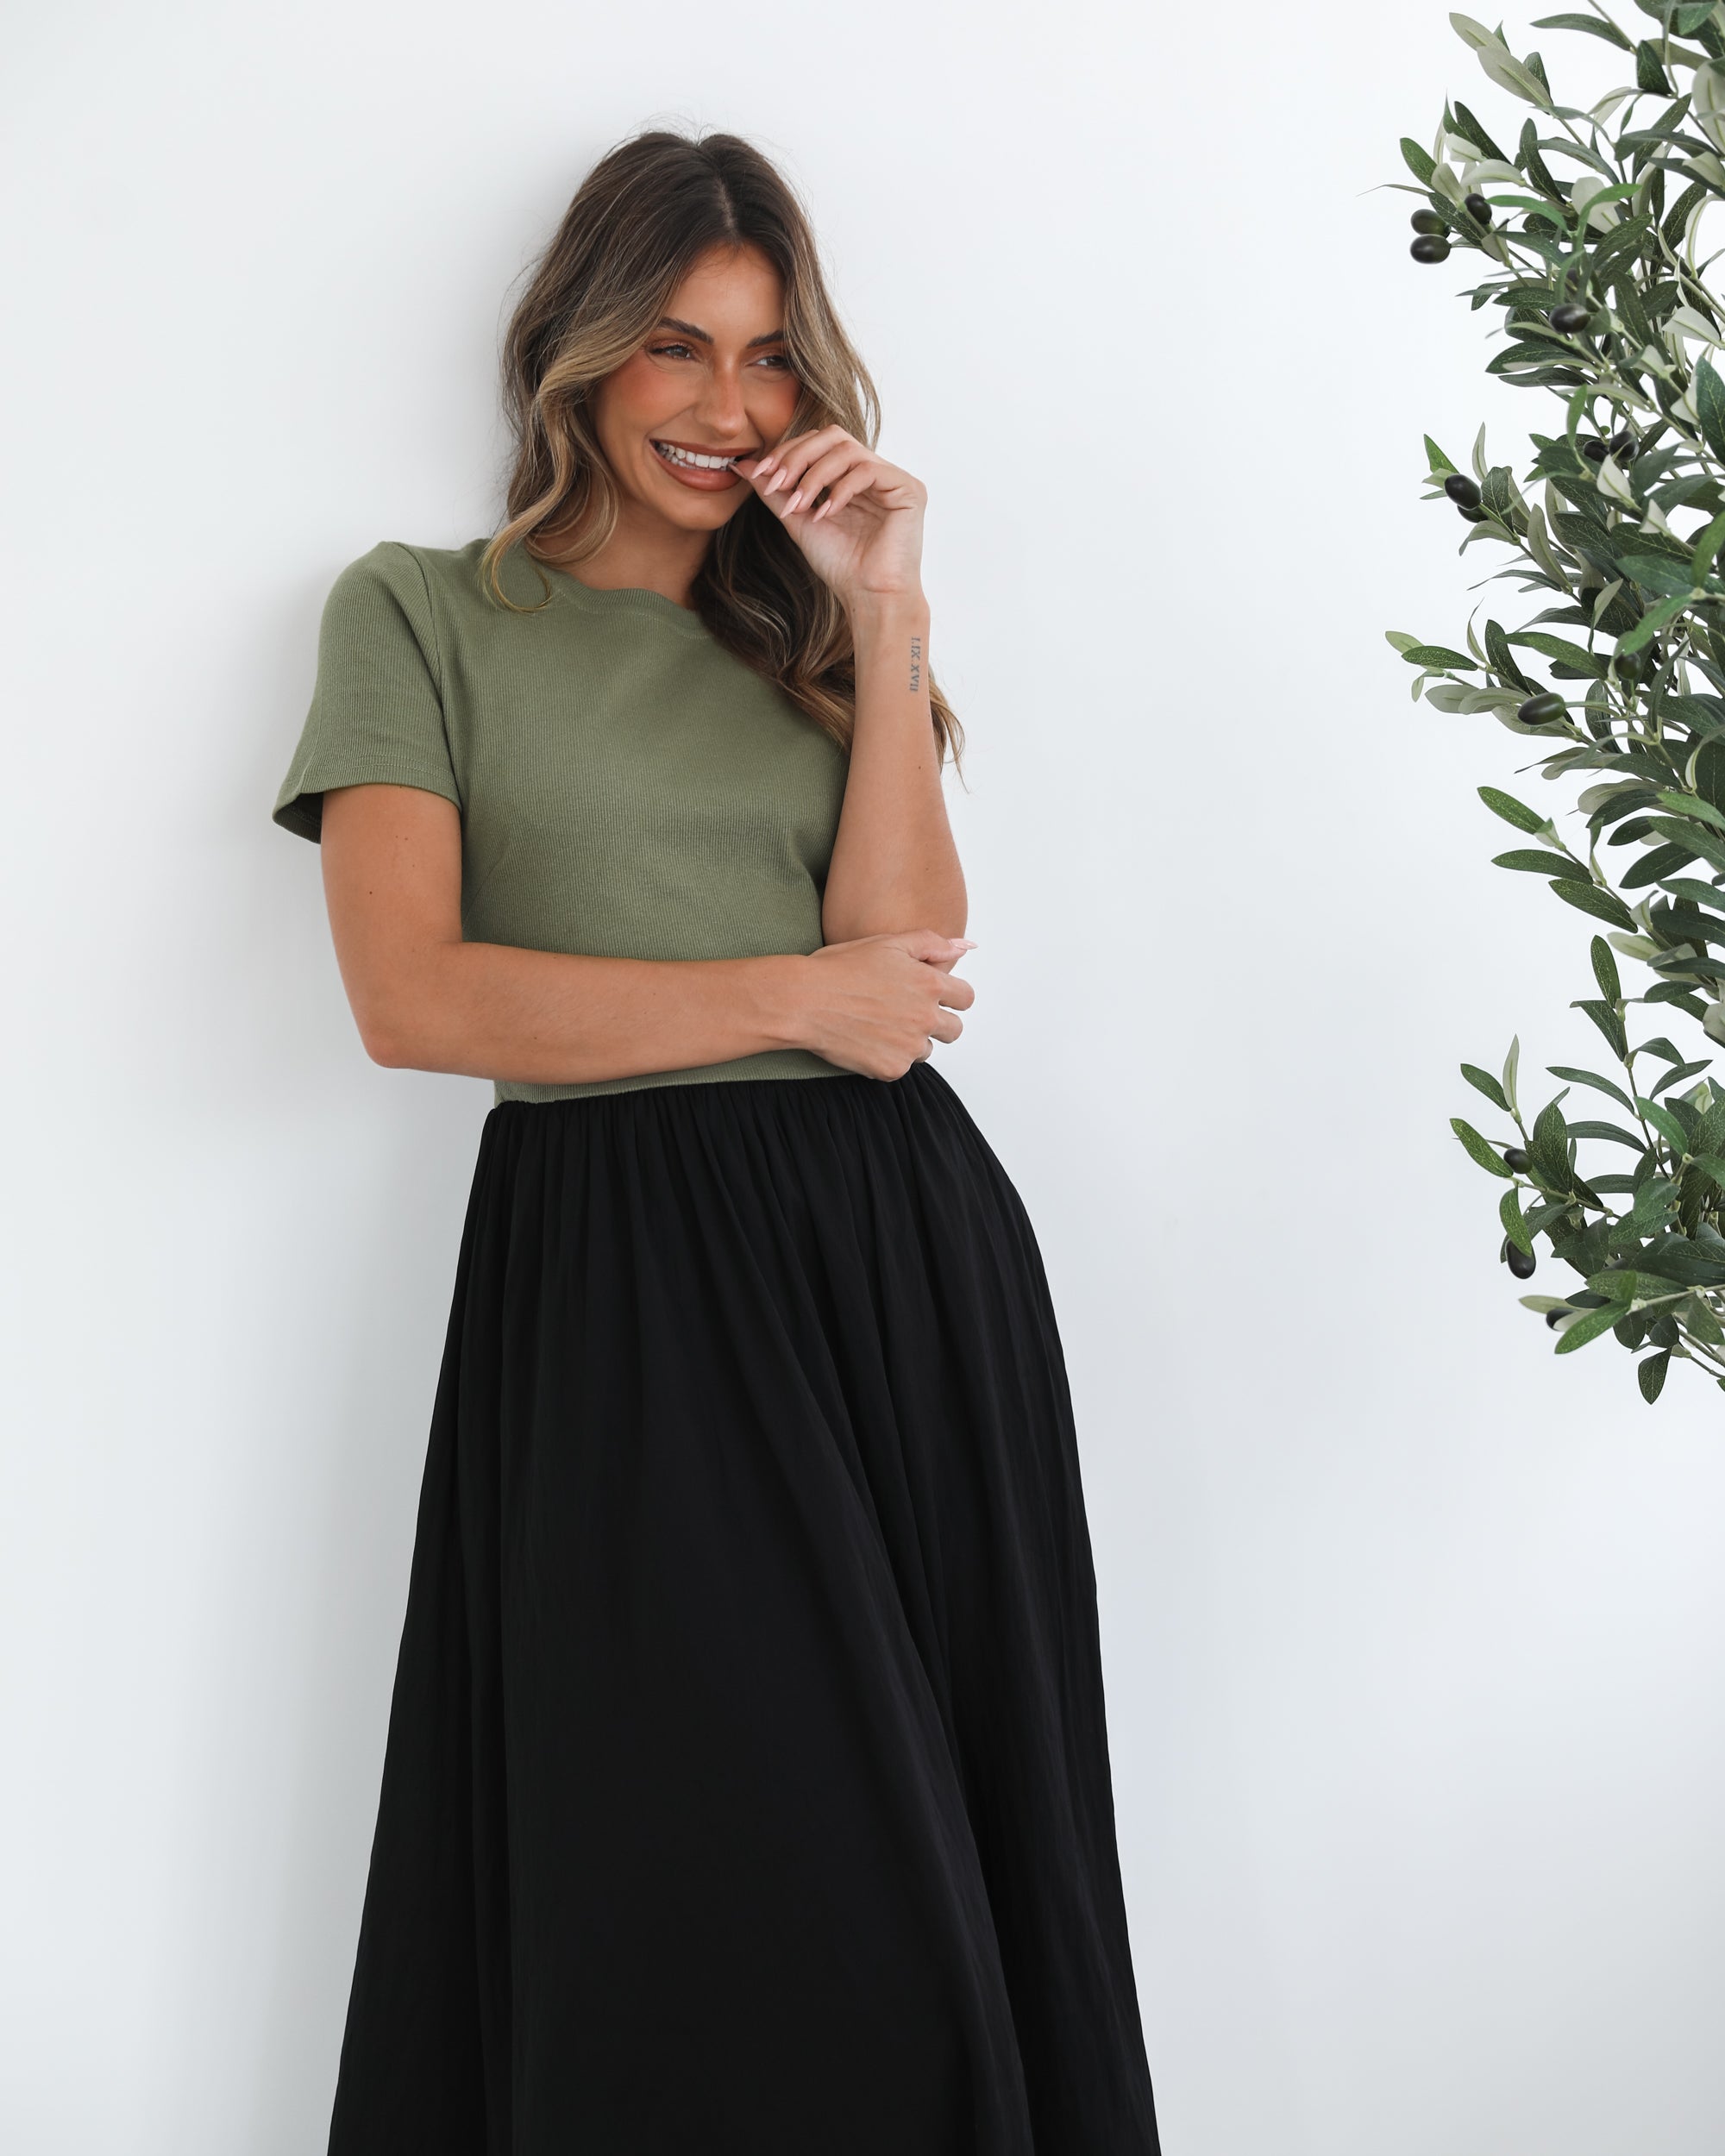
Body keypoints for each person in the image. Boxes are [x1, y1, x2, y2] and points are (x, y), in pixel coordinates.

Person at [273, 126, 1160, 2156]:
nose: (729, 405)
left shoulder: (808, 634)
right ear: (577, 353)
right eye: (678, 347)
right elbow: (416, 998)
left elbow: (900, 956)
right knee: (698, 1851)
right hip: (624, 1279)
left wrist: (887, 612)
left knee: (939, 1843)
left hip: (897, 1265)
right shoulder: (421, 614)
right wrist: (777, 998)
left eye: (771, 361)